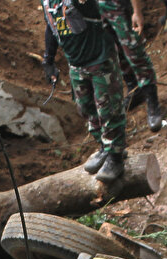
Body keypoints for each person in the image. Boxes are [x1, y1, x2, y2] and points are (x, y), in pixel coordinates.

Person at [40, 0, 128, 183]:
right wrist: (48, 60)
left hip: (100, 58)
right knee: (85, 108)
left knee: (108, 109)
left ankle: (116, 156)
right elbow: (51, 26)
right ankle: (105, 147)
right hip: (76, 64)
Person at [98, 0, 161, 131]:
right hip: (98, 9)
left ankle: (152, 100)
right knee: (115, 50)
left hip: (119, 6)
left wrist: (137, 11)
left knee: (133, 51)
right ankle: (134, 89)